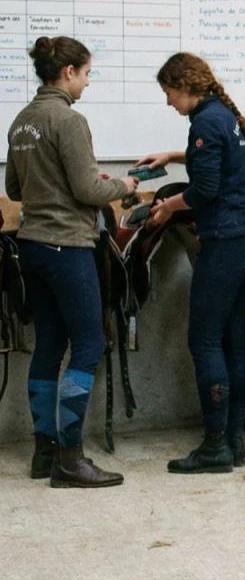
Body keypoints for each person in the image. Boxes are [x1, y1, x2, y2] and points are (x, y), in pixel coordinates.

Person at [6, 36, 138, 488]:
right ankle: (71, 458)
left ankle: (44, 452)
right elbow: (87, 190)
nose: (86, 82)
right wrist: (124, 185)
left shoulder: (21, 122)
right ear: (68, 73)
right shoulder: (69, 120)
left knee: (48, 344)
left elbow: (18, 189)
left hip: (32, 246)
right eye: (85, 73)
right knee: (88, 345)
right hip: (68, 246)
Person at [136, 53, 245, 474]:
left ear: (186, 84)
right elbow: (218, 160)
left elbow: (205, 190)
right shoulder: (222, 115)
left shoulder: (205, 122)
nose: (169, 102)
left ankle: (214, 448)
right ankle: (232, 441)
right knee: (234, 341)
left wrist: (166, 207)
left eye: (169, 92)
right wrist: (172, 157)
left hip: (225, 243)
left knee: (205, 342)